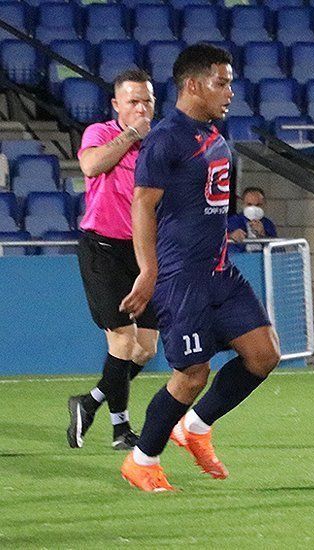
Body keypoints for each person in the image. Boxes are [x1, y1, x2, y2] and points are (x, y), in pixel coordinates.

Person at [118, 44, 281, 492]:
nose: (230, 92)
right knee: (191, 374)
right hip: (180, 276)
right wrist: (148, 272)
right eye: (221, 82)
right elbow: (142, 205)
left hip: (220, 270)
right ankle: (142, 460)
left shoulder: (216, 138)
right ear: (193, 84)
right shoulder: (166, 137)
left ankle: (196, 428)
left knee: (264, 355)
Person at [67, 69, 158, 451]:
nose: (141, 108)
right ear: (116, 104)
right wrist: (132, 133)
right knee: (122, 340)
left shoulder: (160, 143)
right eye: (133, 101)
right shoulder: (101, 133)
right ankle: (121, 430)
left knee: (146, 349)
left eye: (147, 101)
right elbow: (90, 166)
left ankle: (88, 402)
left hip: (141, 252)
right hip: (103, 248)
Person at [228, 186, 277, 253]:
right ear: (242, 204)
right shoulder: (232, 221)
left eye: (258, 205)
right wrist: (231, 236)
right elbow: (217, 244)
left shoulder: (268, 224)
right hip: (239, 260)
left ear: (264, 205)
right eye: (249, 204)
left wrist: (263, 235)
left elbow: (278, 251)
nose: (253, 208)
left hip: (262, 261)